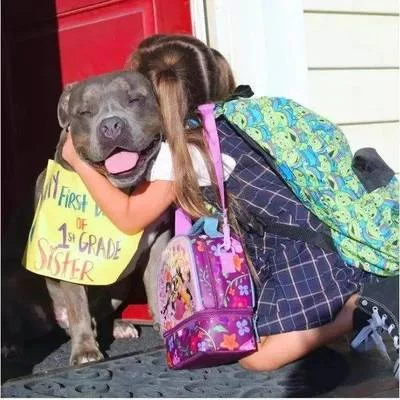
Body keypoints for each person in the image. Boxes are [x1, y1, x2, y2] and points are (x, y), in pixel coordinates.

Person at [62, 34, 399, 375]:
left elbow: (130, 218)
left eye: (133, 99)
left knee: (255, 356)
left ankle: (361, 307)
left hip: (303, 260)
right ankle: (346, 306)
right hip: (325, 241)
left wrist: (77, 161)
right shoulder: (243, 114)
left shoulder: (185, 150)